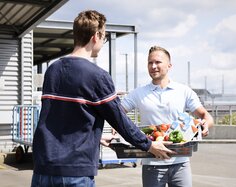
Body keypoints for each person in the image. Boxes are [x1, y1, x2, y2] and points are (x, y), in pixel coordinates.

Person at [31, 11, 175, 187]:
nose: (103, 42)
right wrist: (149, 145)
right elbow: (119, 120)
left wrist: (95, 136)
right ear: (96, 36)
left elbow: (62, 118)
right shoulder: (97, 76)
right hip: (75, 171)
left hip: (43, 168)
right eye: (104, 38)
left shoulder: (53, 70)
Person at [121, 46, 214, 187]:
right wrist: (117, 127)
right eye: (150, 63)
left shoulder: (183, 91)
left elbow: (204, 115)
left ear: (169, 65)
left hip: (180, 162)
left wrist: (206, 124)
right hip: (151, 162)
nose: (153, 66)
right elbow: (118, 113)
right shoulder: (138, 93)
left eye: (158, 62)